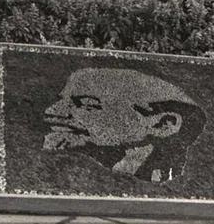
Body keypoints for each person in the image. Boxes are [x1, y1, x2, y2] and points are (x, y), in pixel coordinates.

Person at [43, 68, 205, 184]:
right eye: (61, 101)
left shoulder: (165, 177)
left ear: (164, 124)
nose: (51, 111)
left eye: (88, 104)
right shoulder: (64, 158)